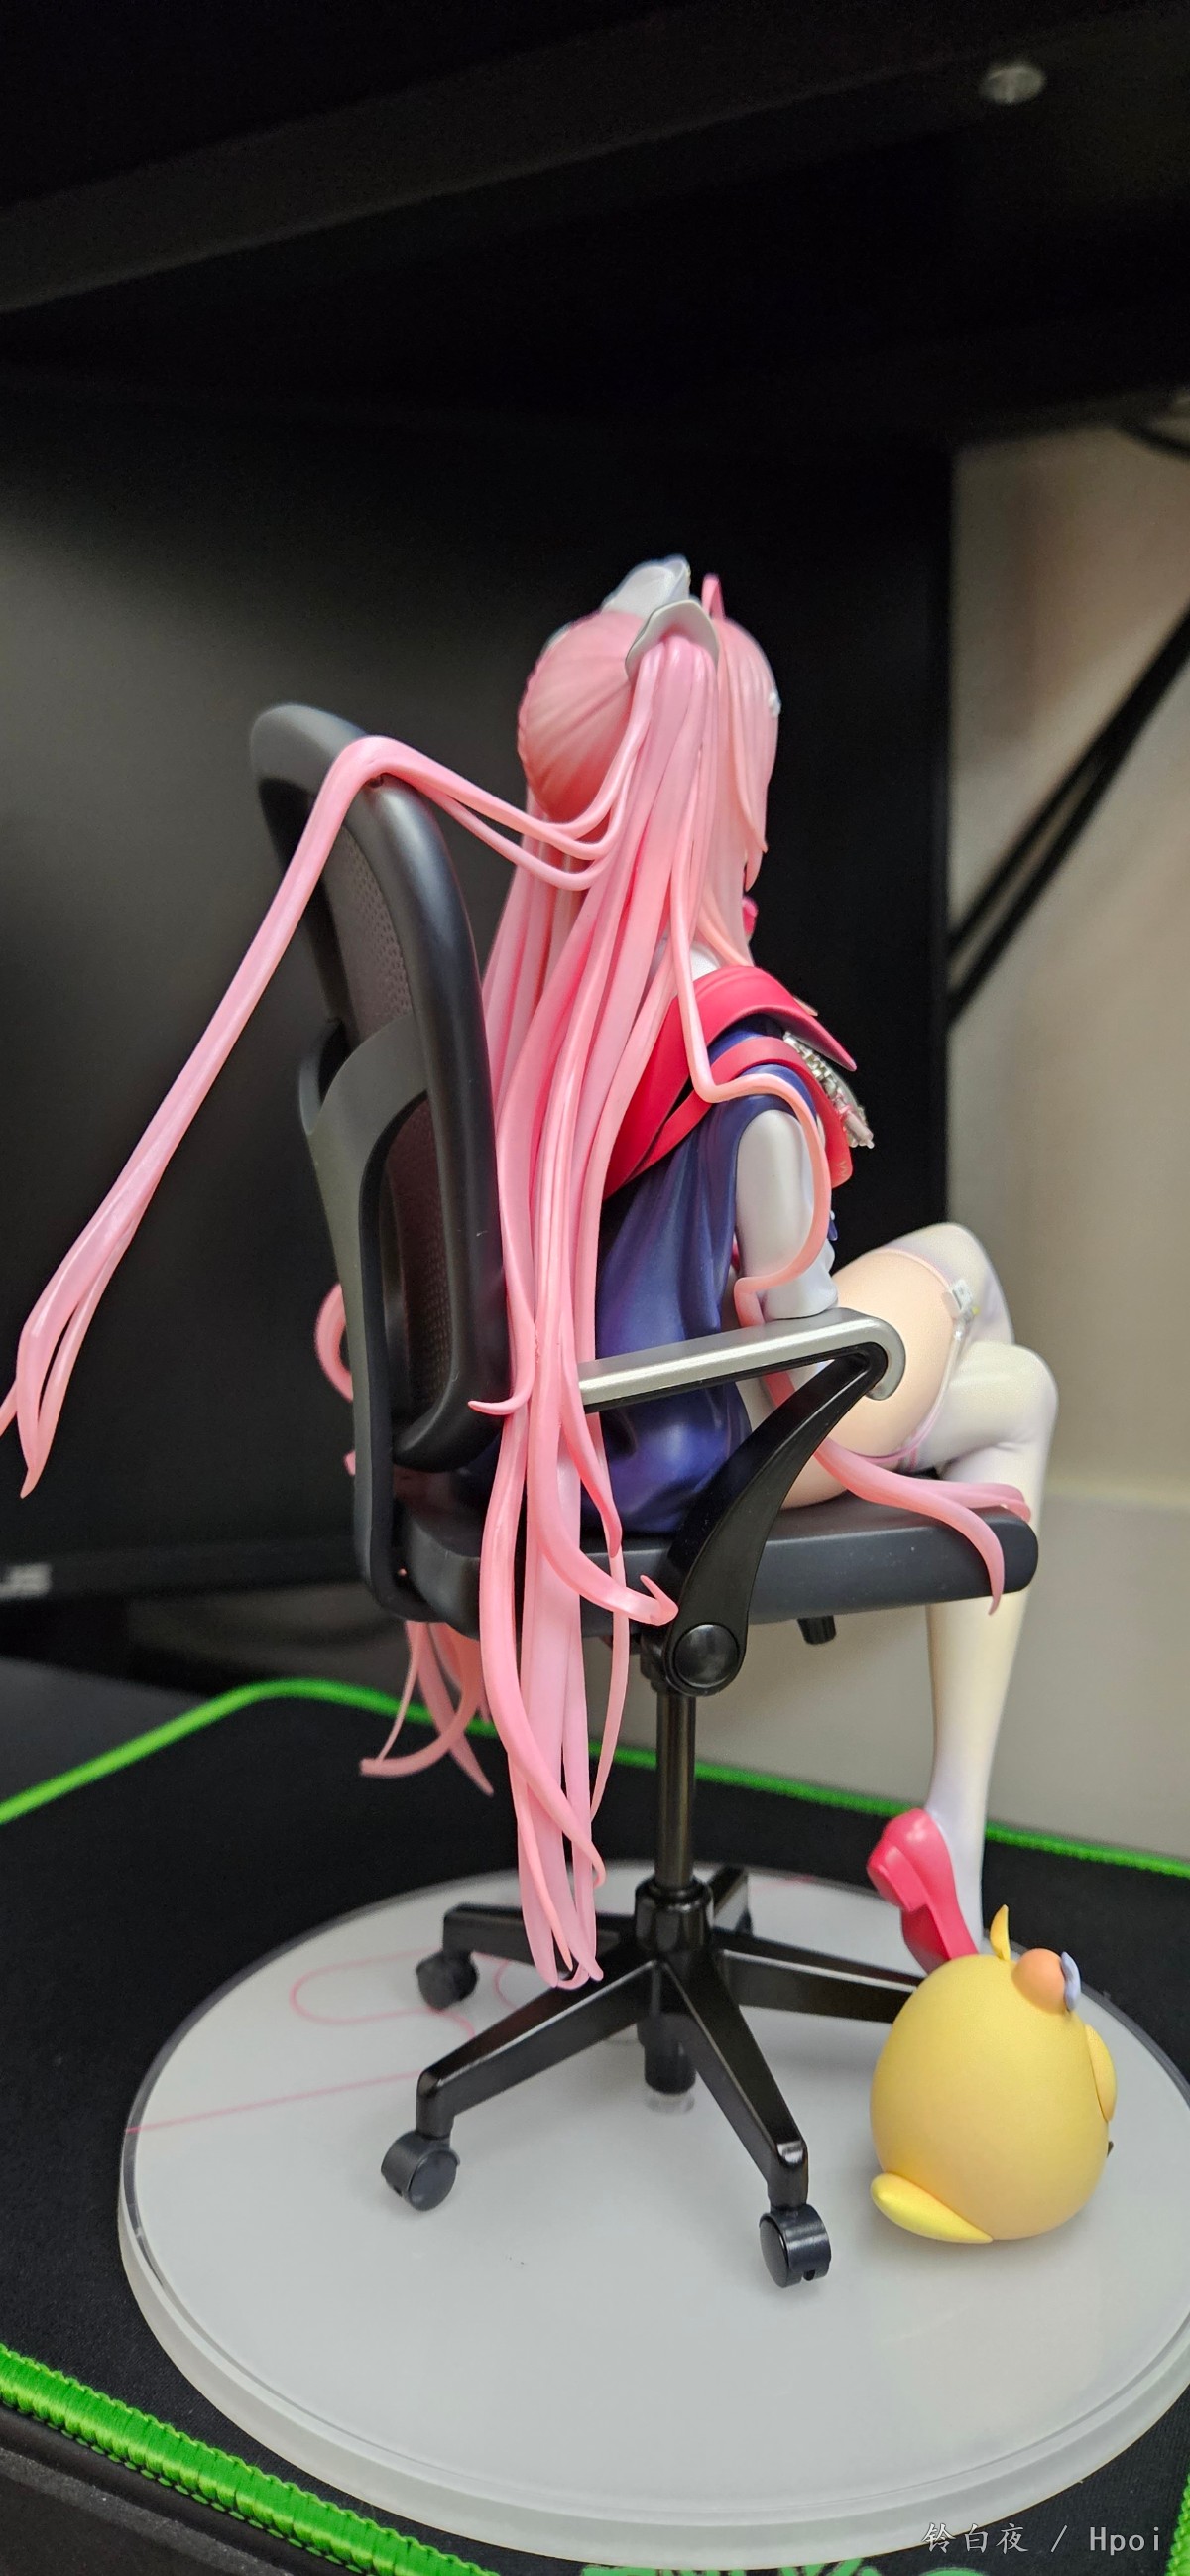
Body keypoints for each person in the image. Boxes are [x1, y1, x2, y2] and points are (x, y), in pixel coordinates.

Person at [2, 558, 1050, 1989]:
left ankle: (952, 1838)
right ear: (722, 793)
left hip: (592, 1415)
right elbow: (805, 1363)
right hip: (705, 1437)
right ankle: (953, 1830)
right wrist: (915, 1333)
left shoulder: (557, 1016)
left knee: (964, 1272)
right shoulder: (747, 1064)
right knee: (1015, 1387)